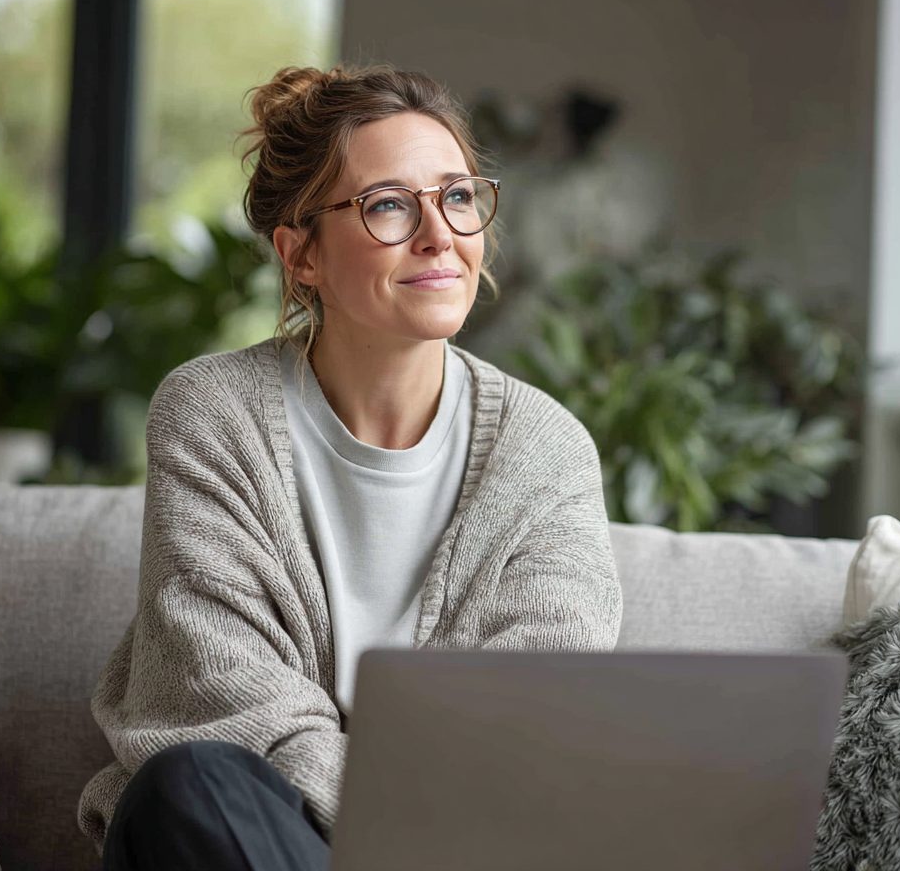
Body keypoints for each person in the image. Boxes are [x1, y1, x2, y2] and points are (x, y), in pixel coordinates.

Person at [76, 62, 623, 870]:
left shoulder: (545, 450)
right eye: (391, 205)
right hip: (243, 837)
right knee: (190, 782)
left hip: (463, 852)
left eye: (459, 196)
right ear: (301, 255)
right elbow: (225, 697)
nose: (441, 235)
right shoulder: (211, 415)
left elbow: (539, 716)